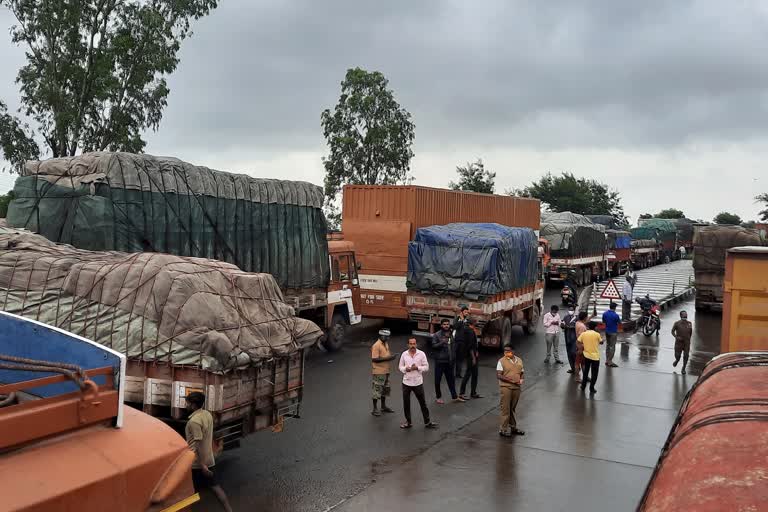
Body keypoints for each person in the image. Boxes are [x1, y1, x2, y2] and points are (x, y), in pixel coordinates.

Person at [185, 392, 233, 512]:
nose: (186, 405)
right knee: (215, 487)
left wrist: (202, 465)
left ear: (193, 405)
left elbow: (198, 444)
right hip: (209, 458)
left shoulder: (194, 422)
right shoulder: (207, 414)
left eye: (188, 403)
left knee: (186, 492)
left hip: (196, 462)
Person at [399, 337, 439, 429]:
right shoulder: (404, 354)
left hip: (418, 383)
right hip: (406, 383)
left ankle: (427, 422)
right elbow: (400, 367)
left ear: (416, 344)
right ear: (408, 345)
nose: (412, 345)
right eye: (411, 344)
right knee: (406, 403)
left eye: (414, 344)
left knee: (423, 403)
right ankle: (408, 422)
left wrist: (418, 368)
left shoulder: (421, 354)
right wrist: (406, 369)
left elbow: (426, 367)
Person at [431, 318, 465, 404]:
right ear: (441, 325)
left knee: (451, 380)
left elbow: (454, 345)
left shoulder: (451, 334)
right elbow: (434, 346)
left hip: (450, 362)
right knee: (437, 381)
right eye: (444, 324)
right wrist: (442, 342)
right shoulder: (436, 335)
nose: (446, 326)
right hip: (440, 362)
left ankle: (454, 397)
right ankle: (438, 397)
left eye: (447, 324)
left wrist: (454, 356)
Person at [497, 345, 525, 437]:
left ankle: (513, 428)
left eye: (508, 351)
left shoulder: (519, 360)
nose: (506, 353)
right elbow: (499, 375)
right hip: (506, 387)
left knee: (512, 409)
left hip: (517, 388)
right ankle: (503, 429)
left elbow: (521, 372)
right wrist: (511, 380)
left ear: (513, 351)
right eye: (505, 351)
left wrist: (521, 379)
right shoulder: (501, 361)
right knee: (505, 409)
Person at [371, 329, 397, 416]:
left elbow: (385, 355)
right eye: (386, 337)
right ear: (381, 336)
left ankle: (383, 406)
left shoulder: (385, 343)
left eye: (388, 337)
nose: (388, 338)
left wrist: (391, 357)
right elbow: (374, 359)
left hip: (386, 371)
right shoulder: (376, 345)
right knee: (377, 390)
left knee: (385, 390)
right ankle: (375, 409)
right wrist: (389, 358)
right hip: (379, 372)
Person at [459, 317, 483, 400]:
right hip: (471, 357)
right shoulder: (469, 332)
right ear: (471, 323)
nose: (477, 322)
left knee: (475, 375)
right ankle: (462, 393)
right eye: (475, 321)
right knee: (468, 374)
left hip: (473, 355)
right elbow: (469, 346)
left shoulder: (469, 330)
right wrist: (473, 358)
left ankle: (473, 392)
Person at [578, 321, 603, 394]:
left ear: (588, 327)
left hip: (586, 355)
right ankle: (592, 388)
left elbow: (578, 341)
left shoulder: (584, 334)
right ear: (595, 327)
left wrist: (580, 349)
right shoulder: (597, 334)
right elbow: (601, 342)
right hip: (595, 357)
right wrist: (602, 338)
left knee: (586, 372)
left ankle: (583, 386)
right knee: (594, 373)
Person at [602, 302, 621, 368]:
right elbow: (619, 322)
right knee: (612, 346)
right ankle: (610, 361)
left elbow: (603, 322)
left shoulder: (605, 314)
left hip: (607, 331)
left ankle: (607, 360)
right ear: (615, 308)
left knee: (608, 345)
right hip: (613, 332)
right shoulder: (616, 315)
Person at [453, 306, 470, 379]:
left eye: (467, 312)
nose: (466, 313)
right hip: (456, 341)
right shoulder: (457, 319)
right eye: (465, 312)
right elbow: (455, 326)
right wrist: (461, 320)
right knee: (453, 358)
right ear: (462, 312)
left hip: (463, 342)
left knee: (460, 359)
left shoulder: (468, 320)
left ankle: (458, 373)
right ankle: (450, 373)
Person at [561, 306, 578, 373]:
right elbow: (562, 325)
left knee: (574, 353)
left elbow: (578, 325)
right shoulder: (566, 317)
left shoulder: (576, 318)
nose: (570, 311)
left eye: (571, 310)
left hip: (574, 338)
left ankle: (576, 368)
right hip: (567, 337)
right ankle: (572, 368)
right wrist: (563, 325)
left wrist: (572, 327)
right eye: (569, 310)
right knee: (569, 353)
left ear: (574, 311)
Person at [574, 311, 589, 383]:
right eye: (587, 317)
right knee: (578, 363)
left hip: (580, 345)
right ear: (585, 317)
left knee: (583, 363)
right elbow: (581, 337)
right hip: (581, 346)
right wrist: (580, 348)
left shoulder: (578, 323)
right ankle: (577, 377)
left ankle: (585, 376)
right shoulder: (582, 326)